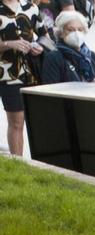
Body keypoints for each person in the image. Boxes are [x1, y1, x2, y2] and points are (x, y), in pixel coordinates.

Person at [1, 0, 44, 157]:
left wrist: (39, 46)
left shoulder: (31, 7)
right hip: (8, 75)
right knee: (17, 121)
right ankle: (18, 163)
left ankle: (40, 162)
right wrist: (9, 44)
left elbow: (46, 35)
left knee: (37, 121)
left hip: (33, 72)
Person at [40, 10, 95, 84]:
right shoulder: (54, 58)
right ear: (61, 33)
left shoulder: (92, 56)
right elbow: (50, 90)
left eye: (80, 30)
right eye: (70, 30)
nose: (76, 33)